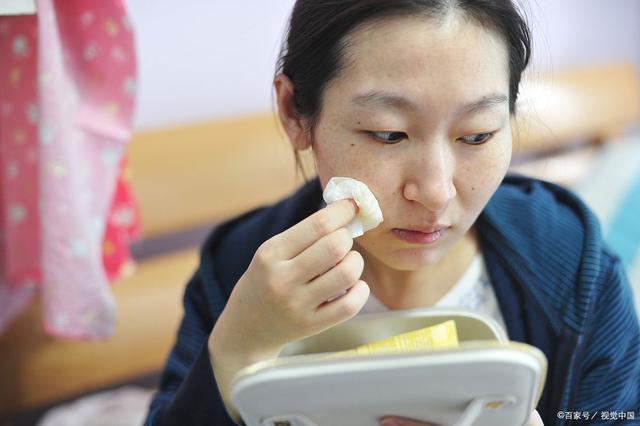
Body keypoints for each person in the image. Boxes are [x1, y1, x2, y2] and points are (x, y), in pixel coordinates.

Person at [145, 1, 640, 425]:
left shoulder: (571, 263)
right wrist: (235, 351)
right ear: (296, 112)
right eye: (388, 134)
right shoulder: (240, 272)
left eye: (477, 135)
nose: (435, 193)